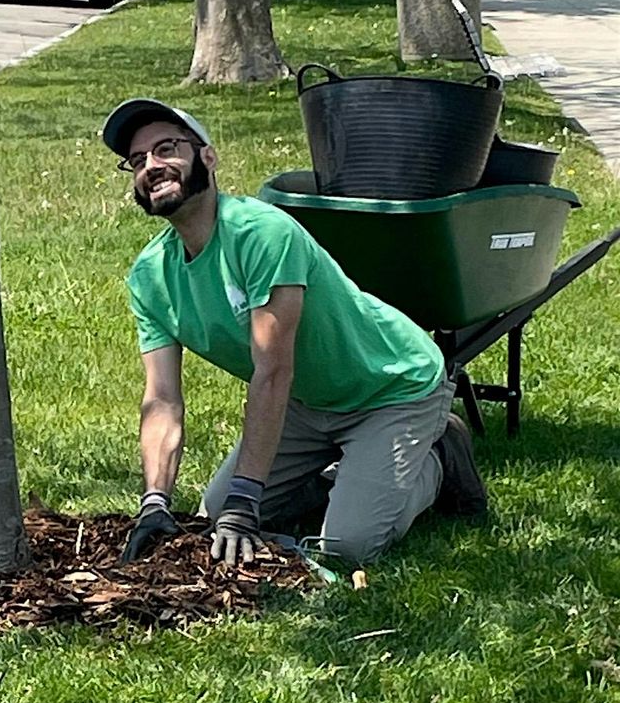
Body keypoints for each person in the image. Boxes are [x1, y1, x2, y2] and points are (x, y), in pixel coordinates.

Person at [101, 99, 488, 568]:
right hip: (305, 403)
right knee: (216, 518)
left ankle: (438, 458)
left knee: (347, 548)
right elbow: (162, 400)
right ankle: (341, 474)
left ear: (207, 156)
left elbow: (273, 369)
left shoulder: (261, 234)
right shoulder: (151, 278)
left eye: (166, 149)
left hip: (391, 387)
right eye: (138, 161)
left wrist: (249, 496)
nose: (152, 167)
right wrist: (155, 501)